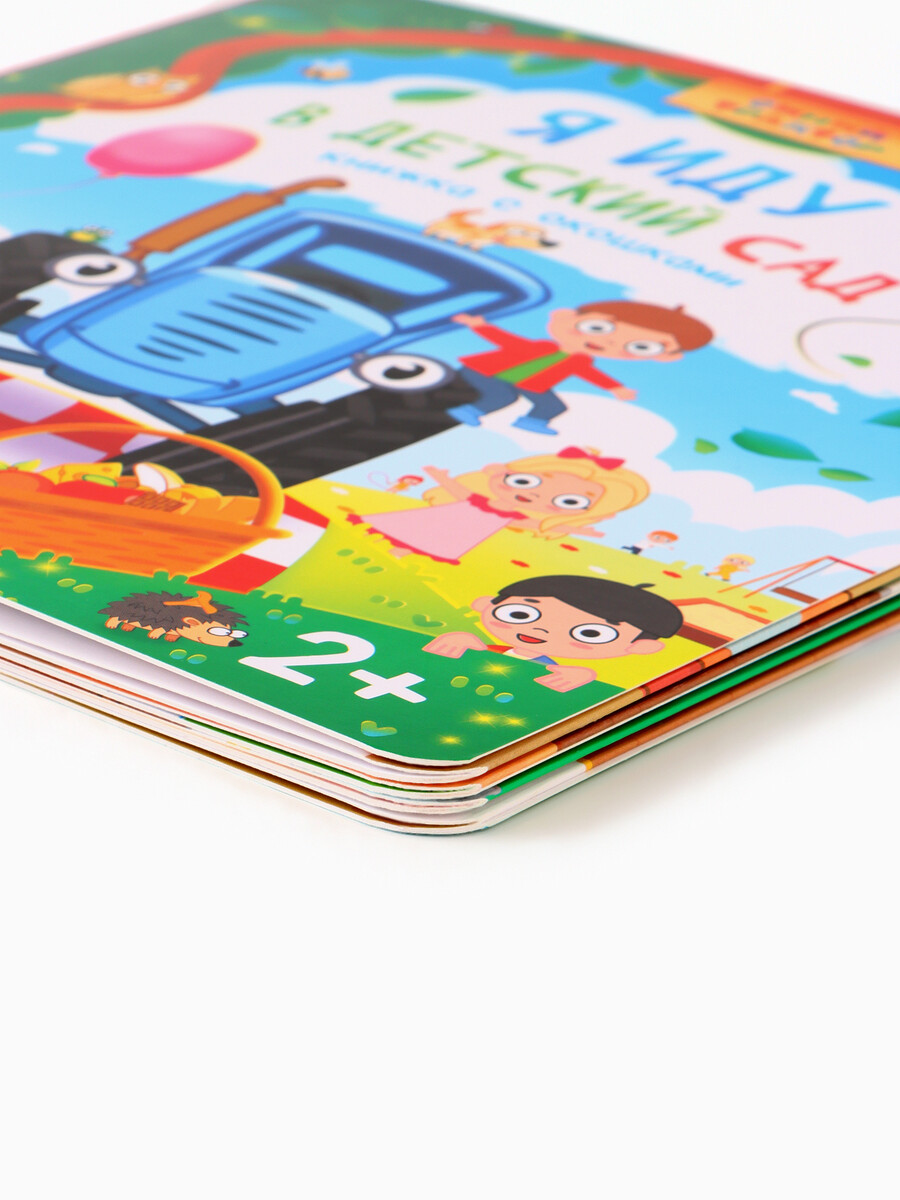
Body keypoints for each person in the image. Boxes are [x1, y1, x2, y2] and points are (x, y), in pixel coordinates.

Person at [447, 299, 714, 435]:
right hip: (488, 373)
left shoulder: (581, 360)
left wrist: (616, 388)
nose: (607, 341)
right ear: (564, 318)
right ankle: (469, 410)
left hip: (529, 383)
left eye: (641, 346)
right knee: (502, 397)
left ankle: (532, 421)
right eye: (597, 327)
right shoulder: (542, 346)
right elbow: (507, 340)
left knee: (554, 405)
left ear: (665, 356)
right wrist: (479, 325)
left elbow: (590, 374)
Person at [347, 447, 649, 564]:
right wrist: (440, 477)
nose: (533, 497)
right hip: (445, 517)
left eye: (569, 502)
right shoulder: (482, 497)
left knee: (429, 543)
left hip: (460, 533)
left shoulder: (512, 514)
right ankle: (385, 546)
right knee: (413, 528)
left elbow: (533, 523)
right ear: (499, 471)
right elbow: (459, 492)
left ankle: (399, 554)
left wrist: (578, 530)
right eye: (525, 481)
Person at [423, 574, 684, 691]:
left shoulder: (557, 671)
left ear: (641, 647)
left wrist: (583, 678)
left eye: (591, 633)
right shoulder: (487, 648)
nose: (541, 629)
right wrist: (465, 642)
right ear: (486, 605)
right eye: (519, 613)